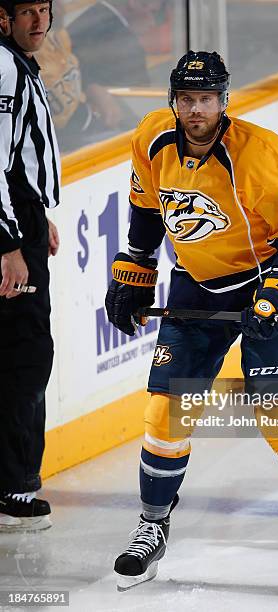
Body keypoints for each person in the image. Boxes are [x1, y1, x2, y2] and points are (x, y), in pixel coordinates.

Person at [105, 51, 278, 602]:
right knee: (164, 411)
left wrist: (274, 294)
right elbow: (146, 210)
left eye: (207, 99)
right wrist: (134, 273)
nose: (196, 110)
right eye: (187, 100)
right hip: (196, 283)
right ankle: (152, 525)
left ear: (225, 100)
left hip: (264, 283)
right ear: (173, 102)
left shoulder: (262, 155)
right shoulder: (152, 137)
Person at [0, 0, 60, 531]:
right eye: (27, 13)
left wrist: (39, 219)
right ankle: (13, 488)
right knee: (25, 353)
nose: (39, 21)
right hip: (8, 229)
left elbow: (19, 156)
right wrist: (10, 242)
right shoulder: (1, 66)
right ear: (3, 18)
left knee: (23, 352)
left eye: (45, 10)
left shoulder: (16, 63)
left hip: (22, 221)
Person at [35, 0, 138, 153]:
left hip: (88, 121)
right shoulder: (16, 62)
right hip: (65, 146)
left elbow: (73, 67)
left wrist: (92, 88)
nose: (58, 6)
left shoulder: (57, 34)